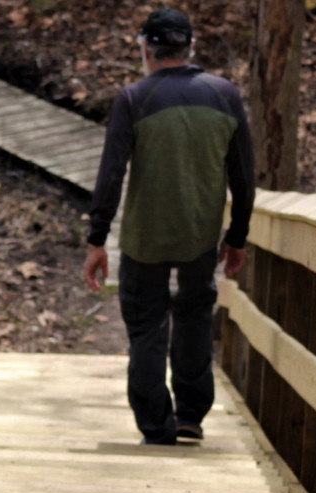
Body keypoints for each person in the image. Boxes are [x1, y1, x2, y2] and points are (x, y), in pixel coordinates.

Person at [84, 8, 255, 446]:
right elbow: (243, 177)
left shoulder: (133, 98)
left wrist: (96, 240)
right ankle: (191, 417)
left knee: (146, 326)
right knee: (196, 316)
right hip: (201, 236)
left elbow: (111, 175)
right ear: (189, 47)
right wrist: (236, 237)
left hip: (144, 238)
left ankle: (155, 426)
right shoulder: (225, 95)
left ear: (146, 48)